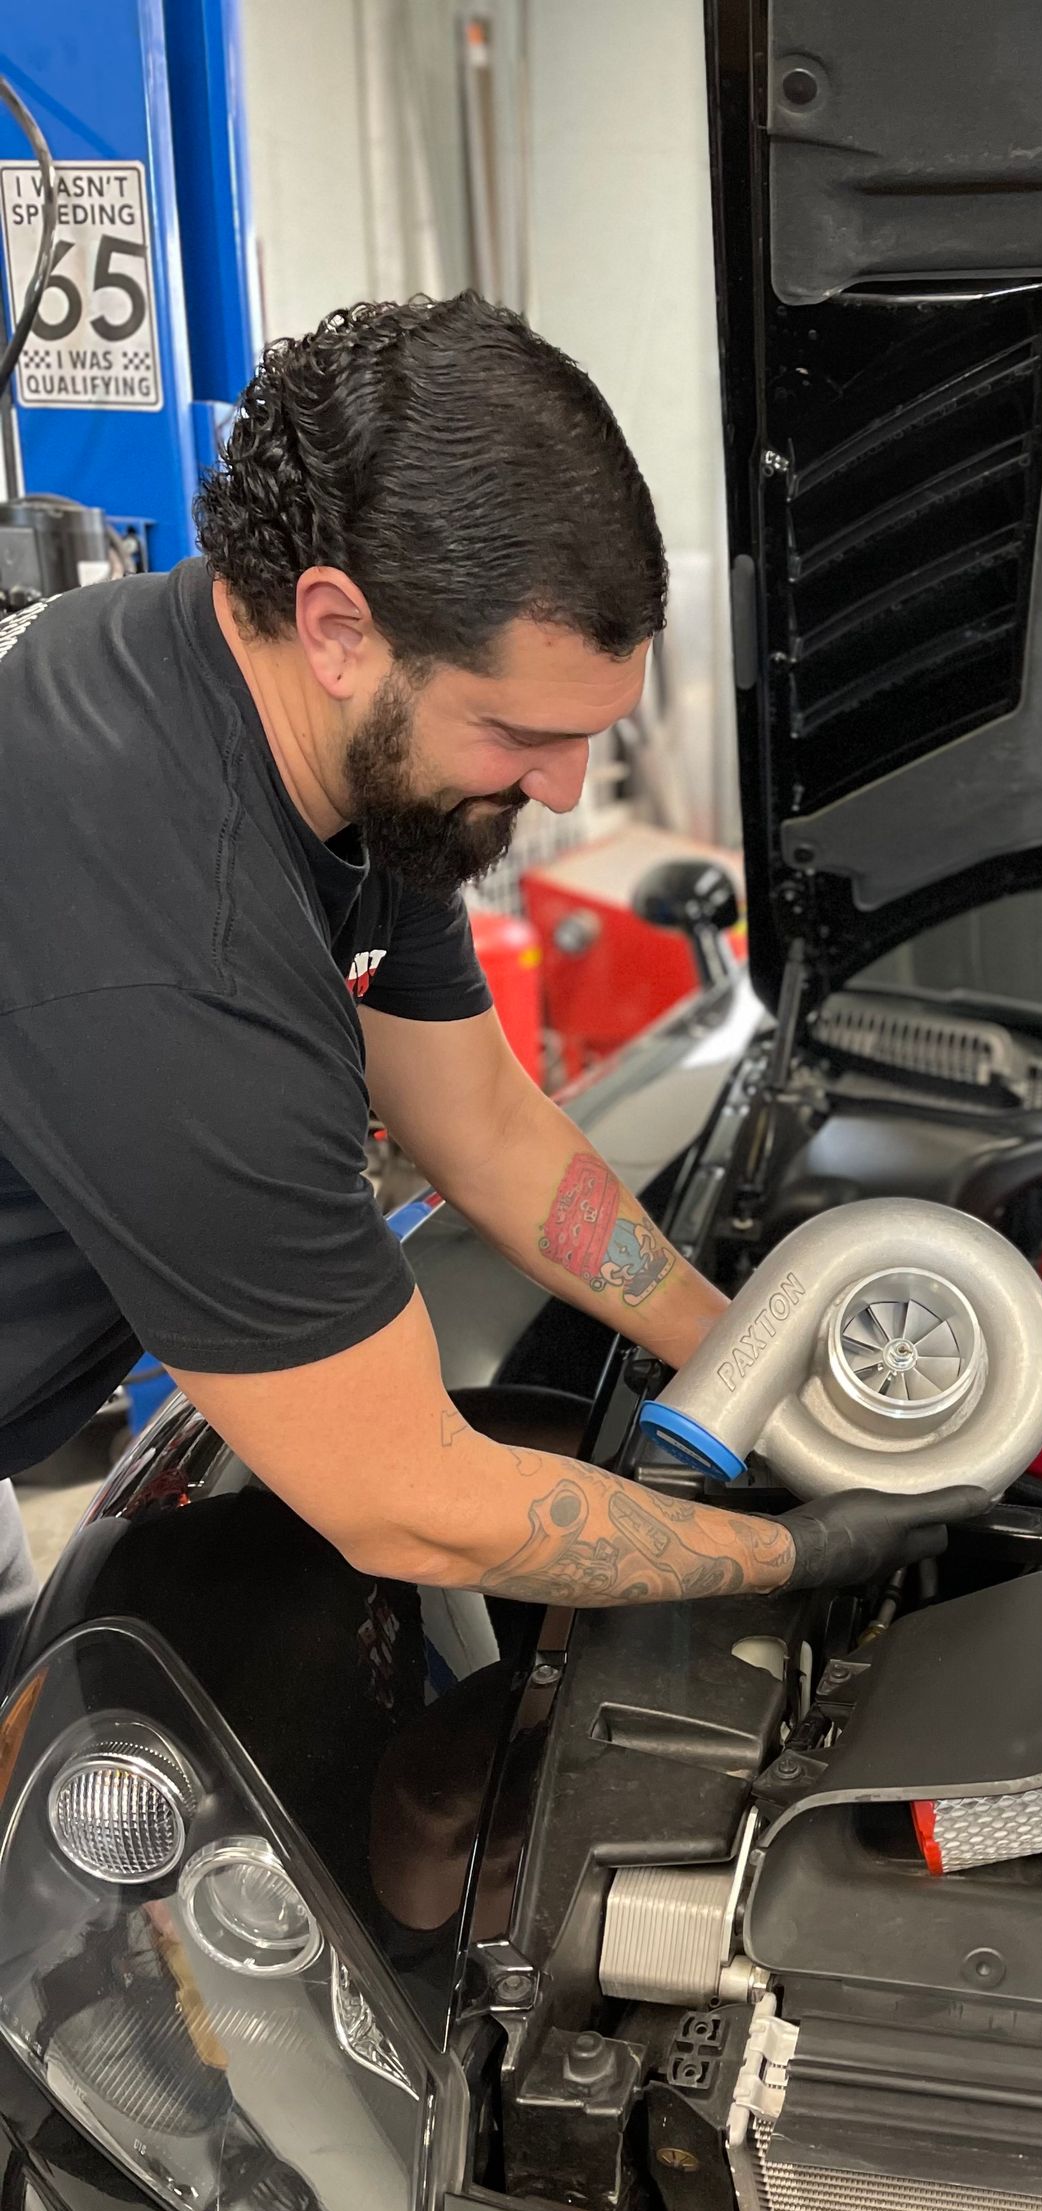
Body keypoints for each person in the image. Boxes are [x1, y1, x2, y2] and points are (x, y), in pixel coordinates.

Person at [0, 293, 973, 1672]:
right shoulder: (178, 938)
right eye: (521, 731)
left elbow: (486, 1130)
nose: (566, 788)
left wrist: (757, 1350)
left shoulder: (328, 746)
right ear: (338, 627)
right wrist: (792, 1554)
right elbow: (408, 1505)